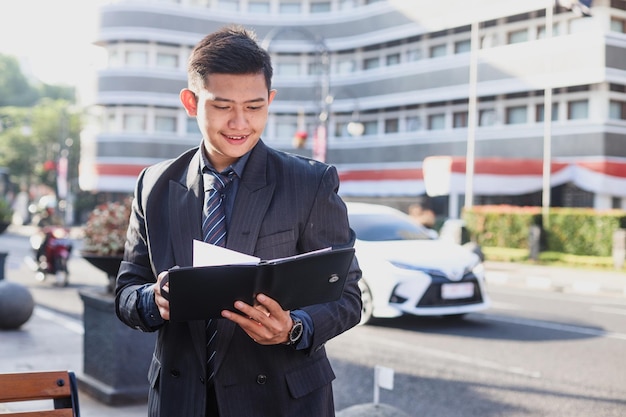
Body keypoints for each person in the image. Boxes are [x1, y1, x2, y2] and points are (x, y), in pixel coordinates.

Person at [115, 25, 362, 417]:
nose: (239, 123)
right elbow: (127, 289)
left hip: (280, 401)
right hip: (180, 401)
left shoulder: (310, 183)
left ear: (270, 100)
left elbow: (348, 296)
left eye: (254, 107)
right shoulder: (154, 185)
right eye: (223, 105)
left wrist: (294, 327)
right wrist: (153, 299)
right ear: (191, 102)